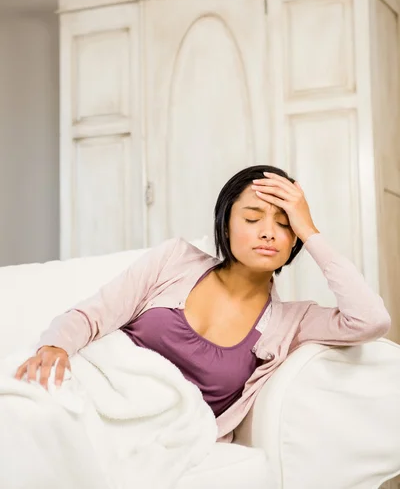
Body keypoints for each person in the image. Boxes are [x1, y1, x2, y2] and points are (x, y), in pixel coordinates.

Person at [14, 165, 391, 441]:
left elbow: (370, 320)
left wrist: (310, 230)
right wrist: (56, 344)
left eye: (284, 223)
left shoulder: (291, 321)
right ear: (226, 224)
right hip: (95, 390)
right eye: (253, 217)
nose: (267, 232)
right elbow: (95, 313)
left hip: (163, 436)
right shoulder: (174, 260)